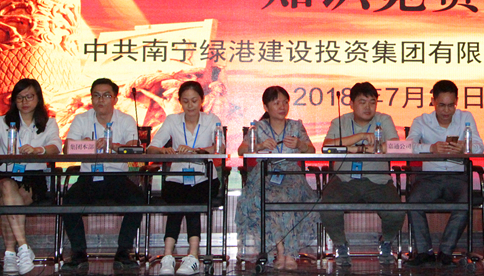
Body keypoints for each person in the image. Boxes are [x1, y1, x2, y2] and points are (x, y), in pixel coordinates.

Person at [0, 78, 62, 275]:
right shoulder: (2, 121)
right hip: (3, 177)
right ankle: (23, 247)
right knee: (7, 187)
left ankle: (9, 254)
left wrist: (39, 150)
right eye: (20, 97)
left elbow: (56, 146)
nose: (24, 101)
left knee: (9, 201)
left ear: (38, 98)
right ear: (14, 100)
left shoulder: (49, 123)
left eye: (29, 97)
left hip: (33, 179)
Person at [61, 78, 145, 273]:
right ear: (91, 98)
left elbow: (134, 148)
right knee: (69, 201)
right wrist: (87, 146)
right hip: (89, 177)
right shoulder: (81, 119)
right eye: (96, 95)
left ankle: (123, 252)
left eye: (106, 95)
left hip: (117, 177)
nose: (101, 100)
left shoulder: (126, 120)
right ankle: (78, 253)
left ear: (115, 99)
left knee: (138, 200)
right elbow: (67, 149)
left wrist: (114, 146)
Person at [319, 82, 403, 266]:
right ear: (351, 103)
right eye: (362, 102)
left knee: (397, 211)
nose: (368, 107)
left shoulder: (384, 119)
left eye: (372, 102)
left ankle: (386, 242)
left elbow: (396, 146)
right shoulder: (339, 121)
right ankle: (341, 246)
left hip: (378, 180)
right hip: (344, 179)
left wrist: (370, 148)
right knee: (327, 206)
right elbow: (327, 147)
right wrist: (360, 138)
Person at [235, 86, 318, 270]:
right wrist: (259, 146)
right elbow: (241, 151)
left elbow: (311, 150)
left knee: (289, 198)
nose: (282, 107)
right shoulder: (258, 127)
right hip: (266, 173)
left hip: (291, 174)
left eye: (285, 102)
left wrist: (299, 144)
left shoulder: (296, 126)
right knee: (267, 198)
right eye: (277, 103)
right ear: (266, 107)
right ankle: (280, 251)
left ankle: (290, 253)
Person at [147, 81, 223, 275]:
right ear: (180, 101)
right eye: (186, 101)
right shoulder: (172, 120)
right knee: (177, 201)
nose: (190, 105)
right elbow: (151, 148)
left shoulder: (212, 119)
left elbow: (220, 148)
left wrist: (197, 151)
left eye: (194, 101)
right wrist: (163, 150)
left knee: (191, 201)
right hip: (176, 178)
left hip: (205, 178)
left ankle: (193, 256)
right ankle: (168, 257)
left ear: (202, 101)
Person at [405, 80, 484, 266]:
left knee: (465, 202)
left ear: (457, 102)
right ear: (433, 101)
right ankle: (424, 251)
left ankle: (446, 252)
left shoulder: (466, 118)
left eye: (451, 105)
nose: (447, 110)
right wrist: (431, 148)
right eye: (442, 105)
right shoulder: (421, 121)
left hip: (458, 176)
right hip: (429, 177)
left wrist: (464, 148)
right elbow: (407, 147)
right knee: (413, 201)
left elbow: (479, 147)